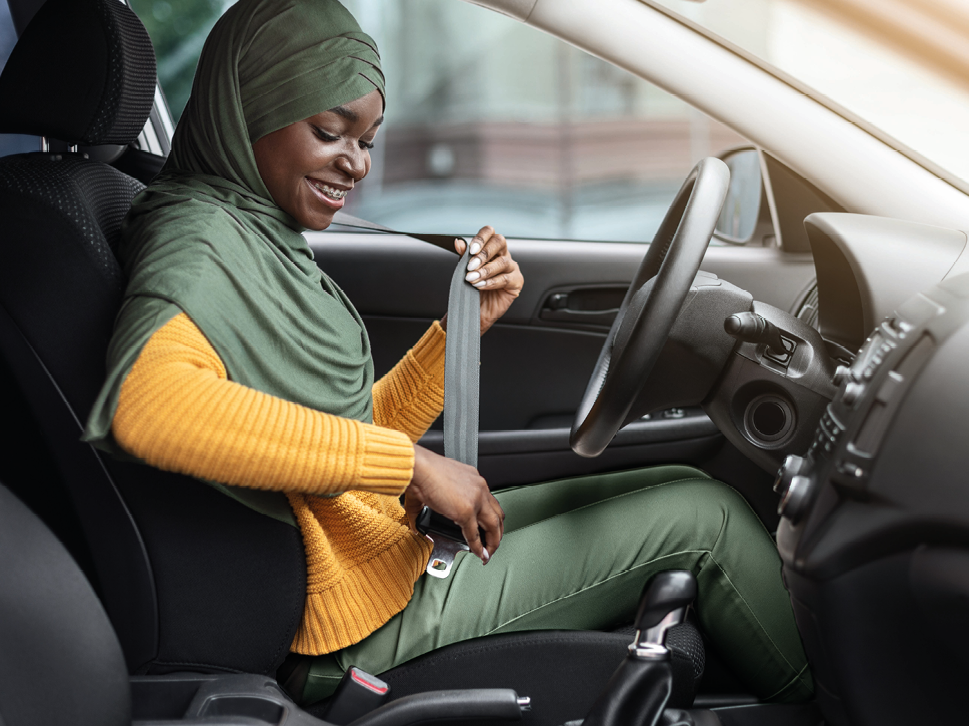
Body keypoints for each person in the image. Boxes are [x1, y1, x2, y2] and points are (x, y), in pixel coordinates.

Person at [84, 0, 813, 706]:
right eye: (329, 131)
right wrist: (412, 467)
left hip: (380, 554)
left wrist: (459, 329)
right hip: (354, 625)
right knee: (704, 519)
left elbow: (330, 426)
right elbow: (150, 406)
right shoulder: (198, 237)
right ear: (250, 112)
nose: (357, 164)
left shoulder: (255, 234)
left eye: (367, 141)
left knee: (673, 483)